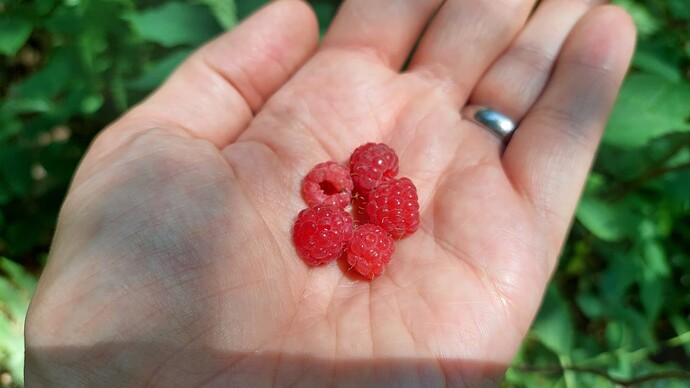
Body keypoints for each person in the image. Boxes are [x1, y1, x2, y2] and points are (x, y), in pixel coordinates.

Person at [23, 0, 636, 386]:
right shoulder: (348, 213)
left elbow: (365, 217)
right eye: (337, 191)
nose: (342, 195)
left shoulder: (369, 209)